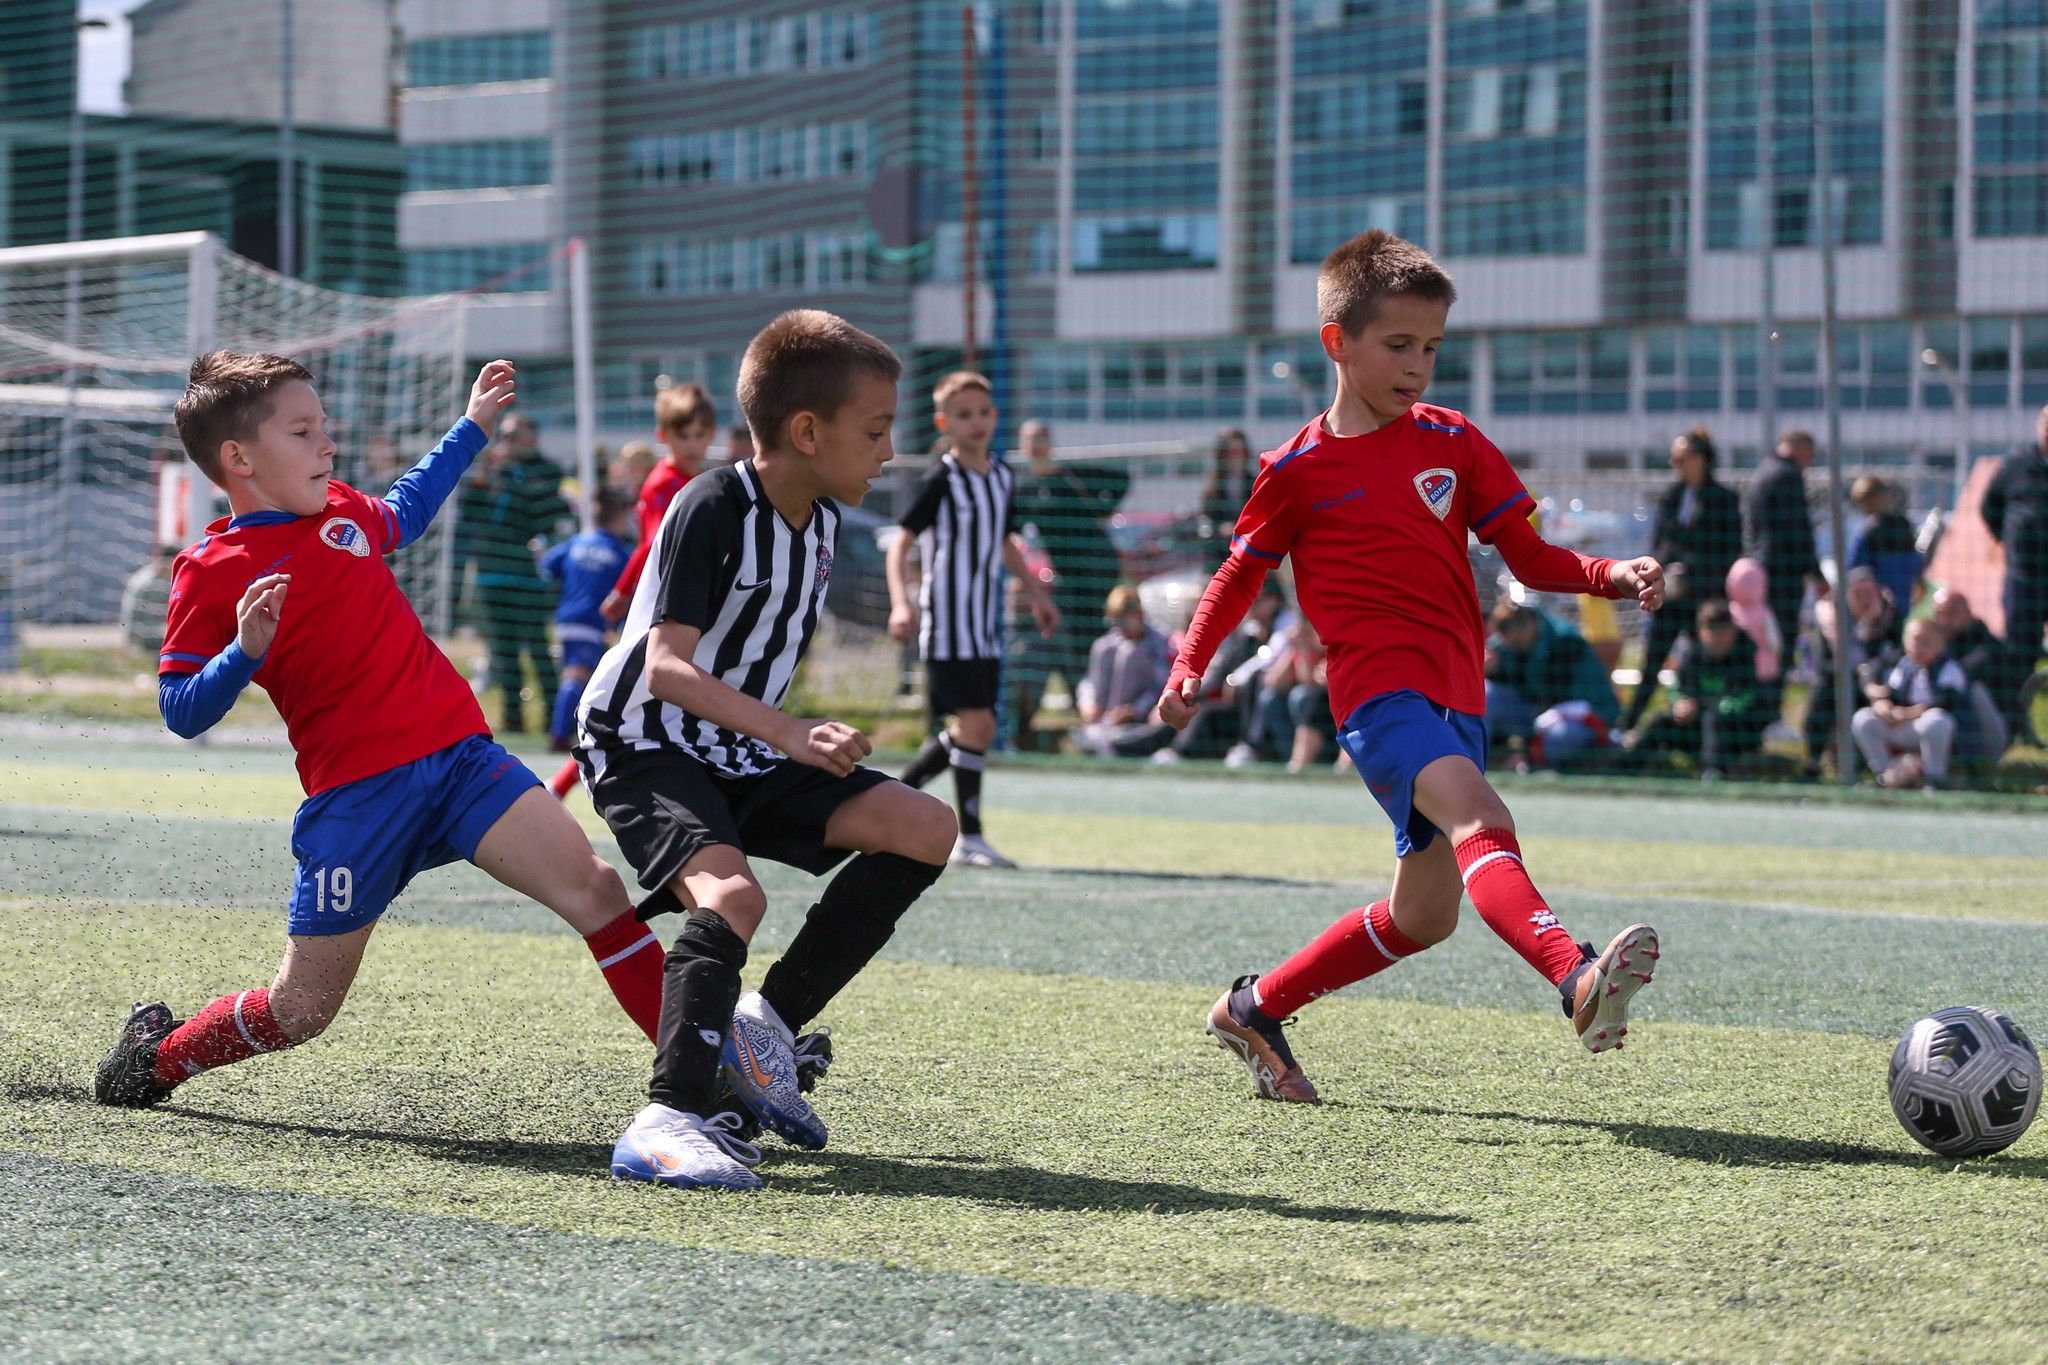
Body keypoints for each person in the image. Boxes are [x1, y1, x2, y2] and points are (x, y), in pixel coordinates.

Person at [1158, 230, 1666, 1104]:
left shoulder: (1456, 441)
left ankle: (1252, 1006)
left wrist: (1609, 574)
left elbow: (1530, 555)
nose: (1418, 365)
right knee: (1481, 812)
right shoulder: (1297, 469)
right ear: (1337, 344)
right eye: (1398, 345)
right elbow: (1239, 571)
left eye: (1431, 347)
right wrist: (1188, 664)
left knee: (1423, 916)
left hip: (1454, 698)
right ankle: (1575, 977)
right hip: (1376, 697)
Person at [93, 353, 666, 1110]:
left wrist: (471, 426)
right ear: (238, 458)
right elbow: (182, 709)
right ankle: (158, 1058)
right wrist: (244, 652)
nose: (328, 444)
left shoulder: (340, 509)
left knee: (596, 889)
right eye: (303, 430)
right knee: (300, 1010)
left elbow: (407, 506)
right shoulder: (210, 567)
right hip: (358, 802)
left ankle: (705, 1067)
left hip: (460, 759)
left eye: (325, 427)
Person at [576, 310, 955, 1191]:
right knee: (732, 895)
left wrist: (784, 732)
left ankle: (766, 1029)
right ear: (806, 431)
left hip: (736, 748)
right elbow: (667, 670)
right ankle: (664, 1120)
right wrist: (791, 730)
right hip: (646, 740)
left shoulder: (820, 519)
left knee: (924, 825)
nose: (889, 452)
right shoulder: (711, 504)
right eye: (875, 430)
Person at [888, 372, 1059, 869]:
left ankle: (897, 794)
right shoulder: (941, 480)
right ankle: (972, 837)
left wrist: (1035, 594)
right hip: (947, 623)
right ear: (944, 423)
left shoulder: (1002, 476)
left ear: (995, 417)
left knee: (975, 731)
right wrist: (903, 602)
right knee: (977, 723)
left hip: (986, 624)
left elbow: (1004, 543)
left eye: (983, 412)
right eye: (964, 415)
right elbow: (901, 542)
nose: (976, 422)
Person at [1008, 418, 1131, 743]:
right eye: (1031, 439)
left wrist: (1103, 511)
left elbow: (1121, 479)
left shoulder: (1072, 473)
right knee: (1074, 644)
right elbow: (1012, 531)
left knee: (1105, 638)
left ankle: (1112, 712)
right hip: (1069, 581)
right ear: (1024, 446)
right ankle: (1088, 709)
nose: (1037, 444)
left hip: (1099, 571)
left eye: (1042, 437)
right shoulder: (1027, 490)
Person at [1619, 427, 1743, 730]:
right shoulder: (1671, 497)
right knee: (1653, 663)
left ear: (1700, 459)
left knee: (1701, 661)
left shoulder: (1723, 500)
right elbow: (1660, 543)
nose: (1676, 465)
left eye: (1681, 458)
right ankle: (1626, 727)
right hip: (1670, 597)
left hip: (1703, 599)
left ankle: (1704, 729)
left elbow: (1730, 551)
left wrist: (1693, 570)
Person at [464, 412, 570, 733]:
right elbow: (470, 510)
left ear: (532, 439)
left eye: (513, 436)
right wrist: (485, 472)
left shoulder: (547, 471)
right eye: (504, 436)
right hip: (492, 574)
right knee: (504, 651)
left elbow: (548, 514)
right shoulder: (493, 470)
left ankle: (556, 720)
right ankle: (513, 721)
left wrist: (513, 472)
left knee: (538, 648)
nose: (506, 443)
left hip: (530, 577)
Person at [601, 384, 716, 623]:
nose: (692, 444)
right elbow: (653, 542)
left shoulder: (702, 481)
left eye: (700, 434)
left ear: (712, 433)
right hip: (665, 599)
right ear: (663, 435)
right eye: (683, 436)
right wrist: (621, 591)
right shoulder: (663, 485)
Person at [540, 486, 633, 775]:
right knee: (577, 676)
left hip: (565, 617)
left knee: (580, 675)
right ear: (619, 519)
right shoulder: (621, 552)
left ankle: (572, 730)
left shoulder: (576, 542)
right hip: (591, 622)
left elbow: (547, 565)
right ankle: (558, 735)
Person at [1628, 601, 1772, 777]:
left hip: (1736, 736)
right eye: (1712, 631)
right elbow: (1677, 687)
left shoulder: (1746, 655)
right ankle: (1624, 768)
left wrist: (1701, 706)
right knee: (1661, 722)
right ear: (1702, 631)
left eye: (1723, 630)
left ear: (1733, 630)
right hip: (1695, 732)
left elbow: (1743, 699)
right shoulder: (1692, 652)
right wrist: (1679, 705)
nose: (1718, 638)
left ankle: (1713, 774)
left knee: (1713, 719)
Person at [1483, 602, 1621, 769]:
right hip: (1534, 715)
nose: (1514, 632)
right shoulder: (1504, 644)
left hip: (1574, 718)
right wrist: (1493, 670)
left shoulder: (1566, 641)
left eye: (1519, 624)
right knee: (1485, 692)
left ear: (1532, 619)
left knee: (1560, 736)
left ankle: (1532, 765)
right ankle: (1478, 763)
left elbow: (1572, 703)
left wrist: (1527, 751)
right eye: (1506, 628)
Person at [1804, 567, 1901, 775]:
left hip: (1876, 681)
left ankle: (1860, 767)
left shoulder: (1890, 616)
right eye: (1858, 594)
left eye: (1869, 593)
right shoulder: (1831, 618)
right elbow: (1824, 663)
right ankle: (1814, 761)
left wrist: (1870, 628)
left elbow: (1894, 656)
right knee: (1822, 696)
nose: (1865, 600)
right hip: (1838, 680)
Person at [1852, 618, 1969, 789]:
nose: (1918, 647)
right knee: (1864, 718)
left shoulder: (1949, 667)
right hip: (1900, 725)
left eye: (1926, 642)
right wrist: (1883, 705)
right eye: (1914, 641)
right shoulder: (1904, 665)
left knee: (1937, 721)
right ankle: (1885, 776)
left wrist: (1907, 713)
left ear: (1941, 644)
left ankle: (1934, 779)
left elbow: (1947, 702)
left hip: (1925, 728)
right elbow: (1890, 691)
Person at [1744, 428, 1824, 662]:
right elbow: (1798, 528)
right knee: (1783, 638)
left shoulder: (1763, 472)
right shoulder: (1788, 474)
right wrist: (1815, 572)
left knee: (1765, 635)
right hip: (1785, 569)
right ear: (1802, 448)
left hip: (1762, 566)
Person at [1072, 584, 1173, 757]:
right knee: (1102, 647)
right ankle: (1099, 726)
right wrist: (1087, 703)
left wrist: (1134, 710)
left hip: (1141, 715)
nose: (1120, 627)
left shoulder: (1160, 641)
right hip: (1105, 716)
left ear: (1139, 615)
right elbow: (1088, 680)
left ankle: (1112, 729)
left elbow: (1161, 685)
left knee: (1130, 653)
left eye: (1123, 621)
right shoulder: (1111, 640)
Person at [1980, 408, 2048, 663]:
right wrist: (2012, 539)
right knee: (2020, 649)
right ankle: (2020, 702)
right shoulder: (2016, 465)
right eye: (2045, 421)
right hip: (2024, 576)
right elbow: (1989, 508)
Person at [1846, 476, 1922, 612]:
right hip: (1905, 600)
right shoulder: (1905, 527)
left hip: (1878, 605)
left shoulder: (1866, 532)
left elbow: (1856, 569)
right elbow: (1916, 565)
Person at [1198, 427, 1255, 534]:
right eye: (1230, 452)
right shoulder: (1213, 487)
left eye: (1238, 452)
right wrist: (1219, 528)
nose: (1235, 457)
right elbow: (1207, 519)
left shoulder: (1255, 482)